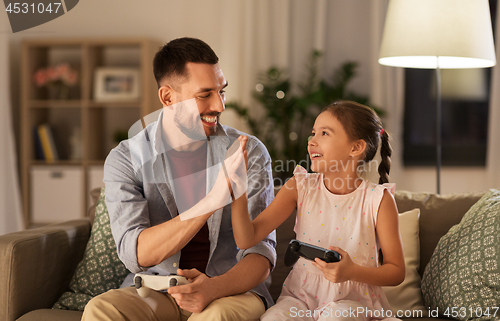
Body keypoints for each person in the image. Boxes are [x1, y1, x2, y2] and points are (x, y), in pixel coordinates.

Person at [82, 37, 276, 321]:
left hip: (228, 292)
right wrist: (213, 200)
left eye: (222, 92)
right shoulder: (126, 159)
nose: (219, 105)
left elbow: (261, 254)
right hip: (156, 290)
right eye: (205, 94)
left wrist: (213, 289)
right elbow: (137, 253)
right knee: (101, 309)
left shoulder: (249, 151)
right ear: (168, 97)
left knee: (216, 316)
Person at [230, 101, 405, 320]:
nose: (311, 141)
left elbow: (396, 271)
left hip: (352, 301)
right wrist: (237, 188)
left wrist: (352, 271)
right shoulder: (299, 186)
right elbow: (247, 239)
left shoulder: (378, 199)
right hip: (300, 297)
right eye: (313, 133)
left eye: (324, 133)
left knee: (337, 317)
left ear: (355, 148)